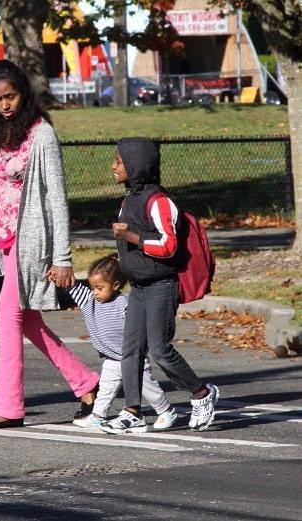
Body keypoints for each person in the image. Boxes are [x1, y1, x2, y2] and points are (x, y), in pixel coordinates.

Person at [0, 59, 99, 429]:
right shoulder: (0, 133)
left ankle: (8, 407)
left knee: (6, 315)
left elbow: (57, 197)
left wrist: (62, 256)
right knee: (26, 320)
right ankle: (87, 383)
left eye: (10, 97)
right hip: (6, 242)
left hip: (34, 242)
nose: (5, 105)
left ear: (24, 94)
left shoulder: (41, 134)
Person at [101, 137, 219, 434]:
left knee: (160, 350)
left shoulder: (160, 202)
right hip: (138, 288)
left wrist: (134, 239)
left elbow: (169, 247)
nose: (113, 166)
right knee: (129, 351)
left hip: (161, 286)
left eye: (119, 161)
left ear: (136, 165)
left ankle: (202, 393)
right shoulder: (129, 200)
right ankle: (132, 411)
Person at [67, 254, 178, 431]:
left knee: (146, 387)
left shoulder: (125, 304)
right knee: (106, 388)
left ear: (116, 285)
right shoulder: (89, 301)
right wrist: (62, 276)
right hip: (112, 357)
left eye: (99, 288)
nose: (94, 292)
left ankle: (166, 410)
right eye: (92, 287)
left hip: (132, 358)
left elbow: (140, 326)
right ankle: (97, 416)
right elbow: (73, 287)